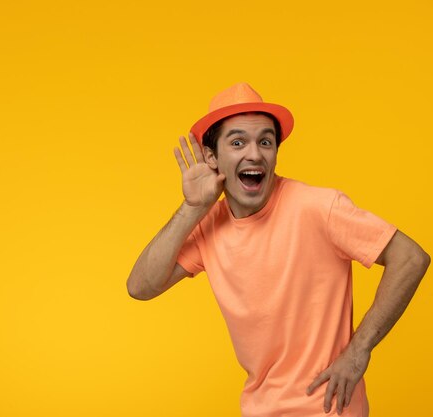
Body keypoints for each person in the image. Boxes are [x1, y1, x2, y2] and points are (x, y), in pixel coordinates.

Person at [126, 82, 430, 417]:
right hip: (260, 409)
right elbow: (141, 287)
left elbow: (410, 258)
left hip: (327, 408)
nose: (255, 153)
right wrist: (192, 208)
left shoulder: (318, 207)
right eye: (238, 141)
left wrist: (359, 350)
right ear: (212, 157)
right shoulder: (208, 224)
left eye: (265, 142)